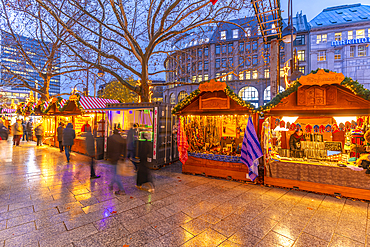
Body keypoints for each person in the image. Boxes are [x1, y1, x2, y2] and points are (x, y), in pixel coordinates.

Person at [107, 129, 125, 195]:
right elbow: (124, 148)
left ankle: (122, 190)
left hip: (113, 158)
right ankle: (111, 184)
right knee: (115, 172)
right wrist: (123, 156)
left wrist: (108, 157)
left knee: (116, 174)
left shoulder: (110, 138)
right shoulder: (121, 138)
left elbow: (108, 148)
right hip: (119, 158)